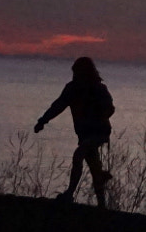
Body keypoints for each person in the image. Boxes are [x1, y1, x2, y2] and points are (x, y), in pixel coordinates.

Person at [33, 56, 114, 205]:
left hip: (99, 132)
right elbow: (58, 106)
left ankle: (70, 193)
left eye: (77, 72)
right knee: (94, 168)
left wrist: (100, 112)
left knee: (79, 154)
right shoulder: (72, 89)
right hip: (85, 134)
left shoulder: (98, 88)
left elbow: (110, 109)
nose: (75, 75)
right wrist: (43, 121)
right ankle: (102, 204)